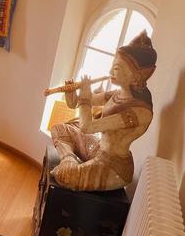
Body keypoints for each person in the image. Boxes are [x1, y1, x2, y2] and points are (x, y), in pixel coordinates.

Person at [49, 31, 157, 191]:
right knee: (59, 129)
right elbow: (76, 104)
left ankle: (69, 164)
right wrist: (71, 92)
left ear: (135, 76)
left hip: (113, 166)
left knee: (64, 175)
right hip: (99, 149)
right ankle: (68, 158)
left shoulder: (139, 112)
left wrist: (85, 98)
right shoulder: (117, 95)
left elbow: (88, 127)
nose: (110, 73)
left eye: (117, 68)